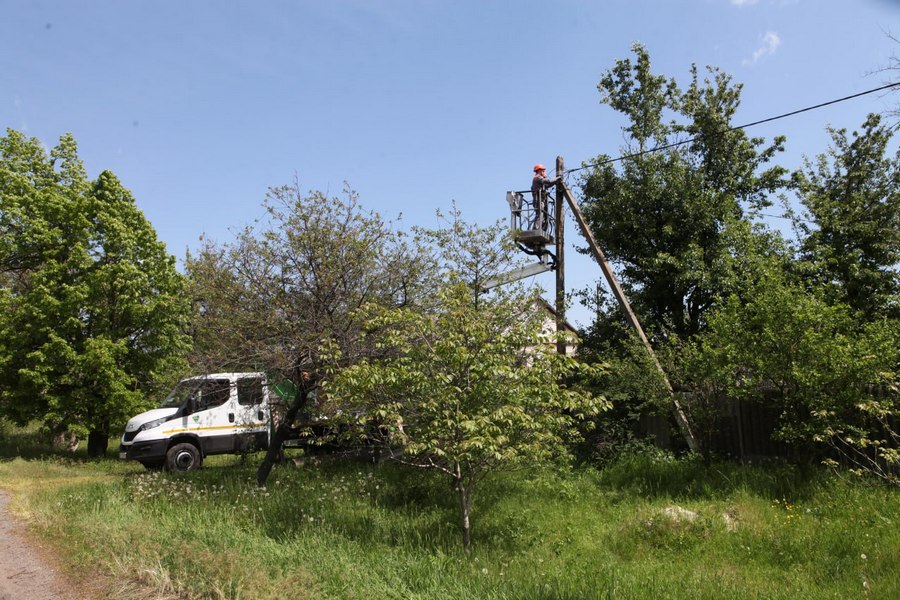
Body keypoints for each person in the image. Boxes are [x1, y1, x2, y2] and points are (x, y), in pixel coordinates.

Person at [530, 164, 560, 232]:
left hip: (540, 200)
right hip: (538, 200)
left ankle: (542, 229)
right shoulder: (537, 178)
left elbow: (548, 184)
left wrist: (555, 182)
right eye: (543, 171)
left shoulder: (540, 180)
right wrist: (557, 178)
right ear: (540, 171)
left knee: (543, 215)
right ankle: (536, 229)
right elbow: (548, 181)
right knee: (540, 214)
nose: (544, 172)